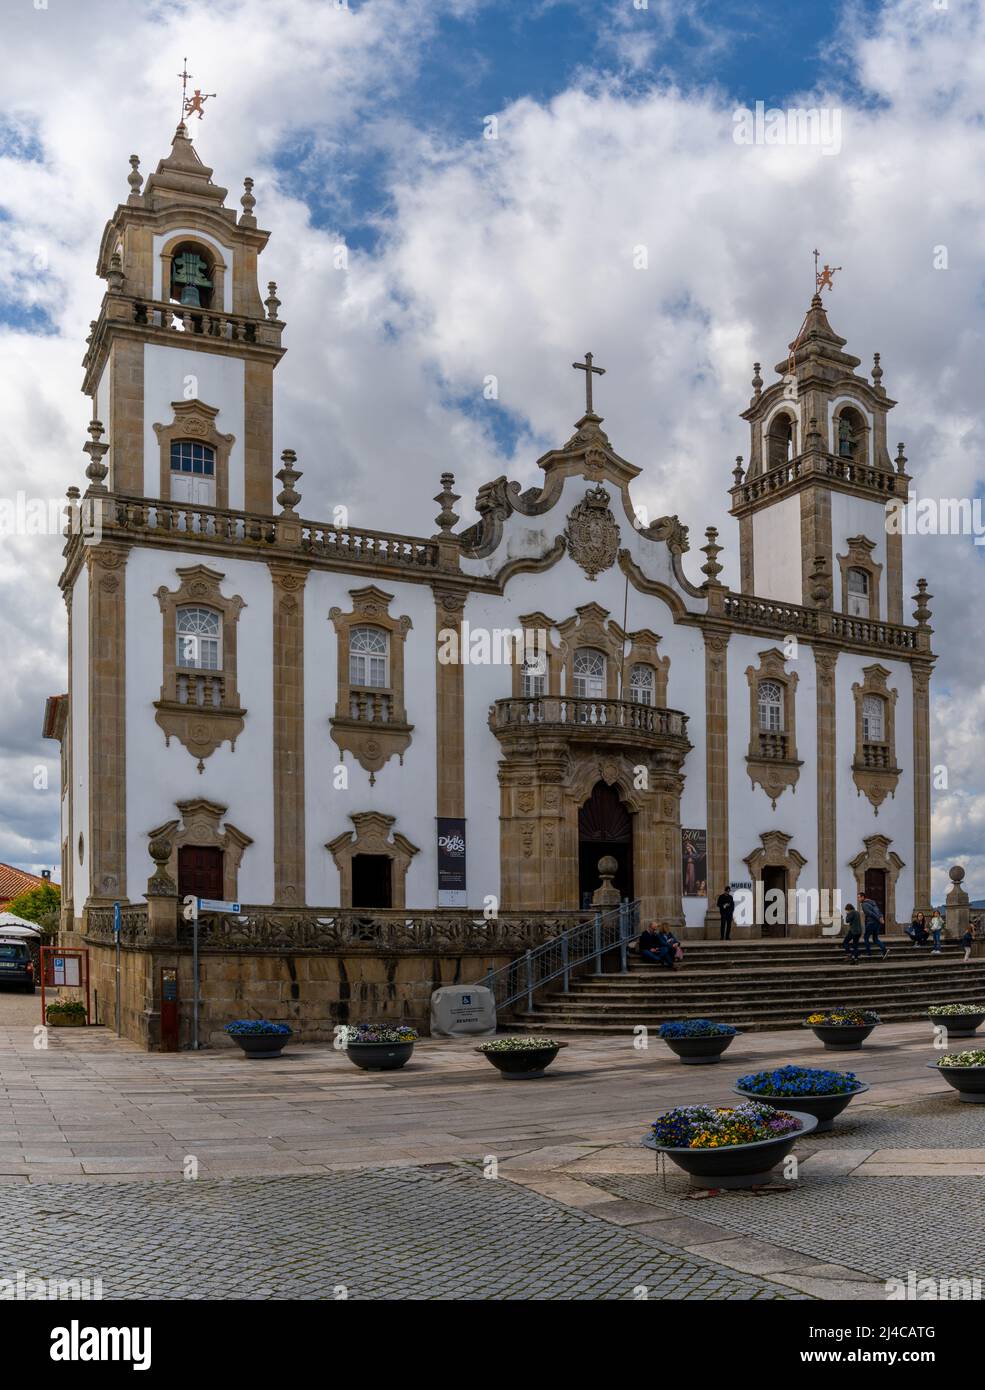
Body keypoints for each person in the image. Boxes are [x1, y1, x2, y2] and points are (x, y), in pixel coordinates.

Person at [860, 892, 889, 959]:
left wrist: (878, 919)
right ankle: (884, 950)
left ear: (863, 897)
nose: (858, 899)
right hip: (877, 923)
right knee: (875, 939)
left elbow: (870, 913)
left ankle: (868, 953)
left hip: (871, 923)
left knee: (866, 937)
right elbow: (878, 910)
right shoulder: (872, 902)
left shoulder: (864, 904)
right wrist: (881, 917)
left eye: (859, 897)